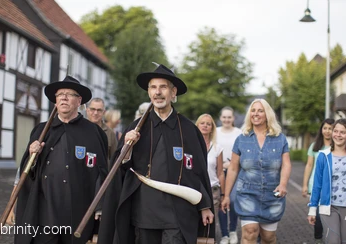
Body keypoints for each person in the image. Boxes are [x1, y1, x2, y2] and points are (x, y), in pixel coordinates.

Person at [98, 63, 214, 244]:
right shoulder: (135, 128)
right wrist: (127, 149)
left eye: (163, 87)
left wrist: (205, 205)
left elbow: (198, 171)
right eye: (153, 87)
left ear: (173, 92)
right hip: (144, 212)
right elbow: (120, 169)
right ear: (149, 92)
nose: (157, 92)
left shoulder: (189, 130)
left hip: (177, 213)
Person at [14, 75, 109, 244]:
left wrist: (99, 211)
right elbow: (27, 171)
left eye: (69, 94)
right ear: (55, 101)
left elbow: (101, 173)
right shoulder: (41, 130)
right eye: (60, 95)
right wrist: (32, 155)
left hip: (78, 211)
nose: (64, 97)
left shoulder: (94, 132)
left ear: (79, 101)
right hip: (45, 209)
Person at [221, 98, 291, 244]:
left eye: (260, 110)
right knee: (250, 232)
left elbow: (286, 164)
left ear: (267, 114)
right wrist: (226, 195)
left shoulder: (280, 139)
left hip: (272, 195)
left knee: (268, 237)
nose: (256, 114)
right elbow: (233, 168)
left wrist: (283, 184)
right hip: (247, 194)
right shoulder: (241, 139)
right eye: (253, 110)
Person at [307, 118, 346, 244]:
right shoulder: (324, 156)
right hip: (328, 208)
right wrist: (312, 209)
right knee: (333, 241)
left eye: (342, 132)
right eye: (336, 131)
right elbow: (317, 185)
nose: (338, 135)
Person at [301, 118, 334, 243]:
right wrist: (304, 185)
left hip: (332, 187)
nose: (327, 131)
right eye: (325, 128)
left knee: (331, 217)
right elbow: (309, 165)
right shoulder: (315, 146)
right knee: (318, 216)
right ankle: (318, 239)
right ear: (321, 130)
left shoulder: (337, 147)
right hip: (315, 186)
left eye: (330, 128)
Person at [196, 113, 225, 243]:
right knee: (194, 223)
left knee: (208, 224)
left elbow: (220, 173)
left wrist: (224, 194)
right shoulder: (191, 145)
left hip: (213, 190)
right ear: (197, 125)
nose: (205, 126)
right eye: (202, 123)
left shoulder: (217, 148)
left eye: (208, 124)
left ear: (212, 128)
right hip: (195, 189)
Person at [216, 106, 241, 244]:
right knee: (221, 202)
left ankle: (233, 231)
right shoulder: (216, 132)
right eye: (224, 117)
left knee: (232, 200)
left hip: (235, 170)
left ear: (233, 118)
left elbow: (242, 151)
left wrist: (231, 163)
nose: (226, 119)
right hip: (219, 171)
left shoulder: (239, 132)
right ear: (220, 118)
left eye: (229, 117)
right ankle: (225, 234)